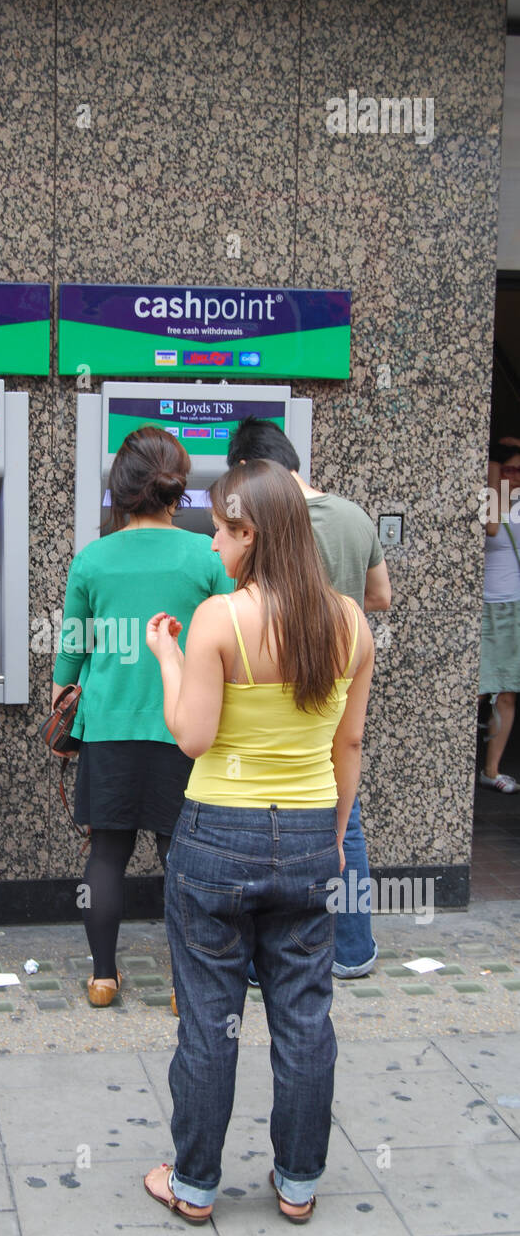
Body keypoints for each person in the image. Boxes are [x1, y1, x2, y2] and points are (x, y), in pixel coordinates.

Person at [143, 459, 374, 1223]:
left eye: (219, 530)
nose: (211, 545)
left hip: (218, 837)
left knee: (209, 1016)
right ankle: (299, 1183)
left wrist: (170, 661)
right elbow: (349, 748)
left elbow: (192, 738)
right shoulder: (349, 623)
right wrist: (336, 837)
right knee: (305, 1013)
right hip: (309, 833)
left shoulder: (220, 619)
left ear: (251, 533)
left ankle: (196, 1184)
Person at [51, 426, 234, 1006]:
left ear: (120, 487)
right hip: (185, 729)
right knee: (180, 855)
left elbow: (71, 653)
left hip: (107, 728)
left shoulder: (92, 560)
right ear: (177, 487)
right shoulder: (204, 554)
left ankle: (103, 977)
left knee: (106, 853)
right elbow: (230, 633)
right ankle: (185, 985)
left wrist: (61, 717)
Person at [227, 415, 387, 979]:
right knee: (347, 817)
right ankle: (352, 948)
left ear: (250, 470)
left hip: (274, 682)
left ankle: (263, 957)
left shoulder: (264, 525)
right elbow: (381, 596)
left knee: (273, 810)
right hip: (341, 676)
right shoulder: (353, 516)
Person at [478, 436, 520, 792]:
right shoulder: (489, 499)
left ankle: (491, 770)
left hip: (512, 605)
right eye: (511, 469)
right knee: (475, 689)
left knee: (506, 691)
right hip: (482, 605)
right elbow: (491, 527)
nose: (517, 477)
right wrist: (495, 470)